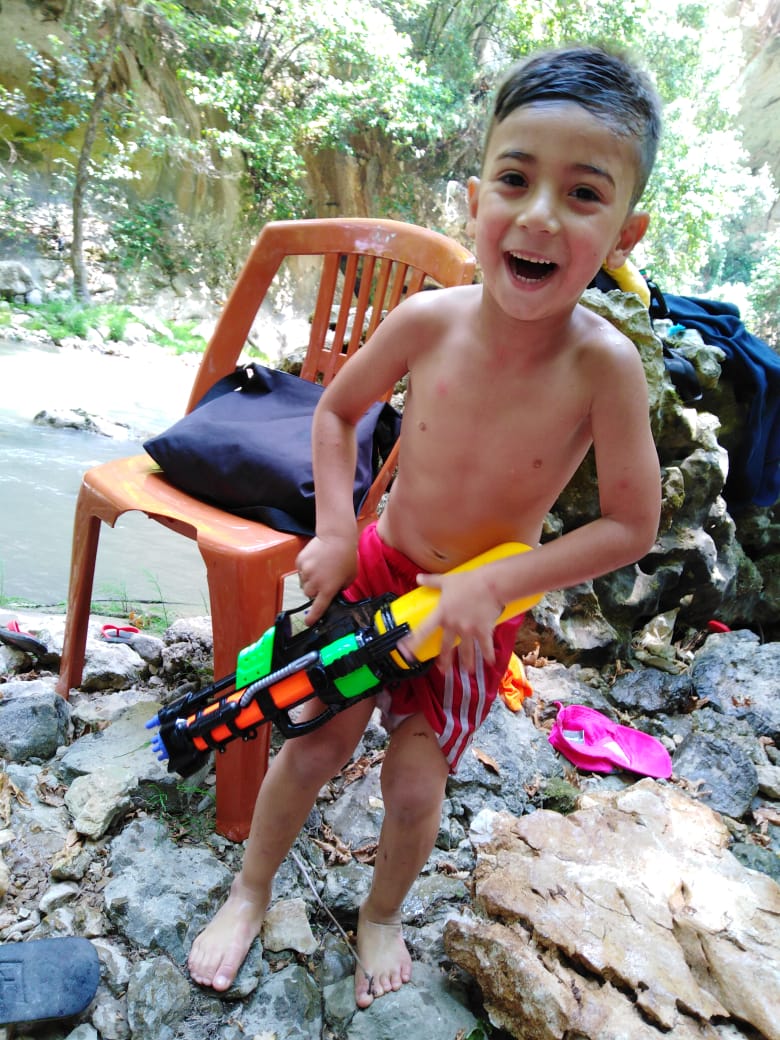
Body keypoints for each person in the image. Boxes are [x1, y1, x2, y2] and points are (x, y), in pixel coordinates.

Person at [187, 43, 664, 1008]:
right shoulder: (428, 321)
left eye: (583, 193)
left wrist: (500, 581)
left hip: (472, 617)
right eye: (515, 180)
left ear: (625, 233)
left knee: (413, 785)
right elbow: (335, 413)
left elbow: (632, 525)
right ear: (475, 200)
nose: (539, 215)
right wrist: (332, 530)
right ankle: (250, 889)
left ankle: (382, 913)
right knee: (313, 746)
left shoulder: (605, 367)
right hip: (377, 573)